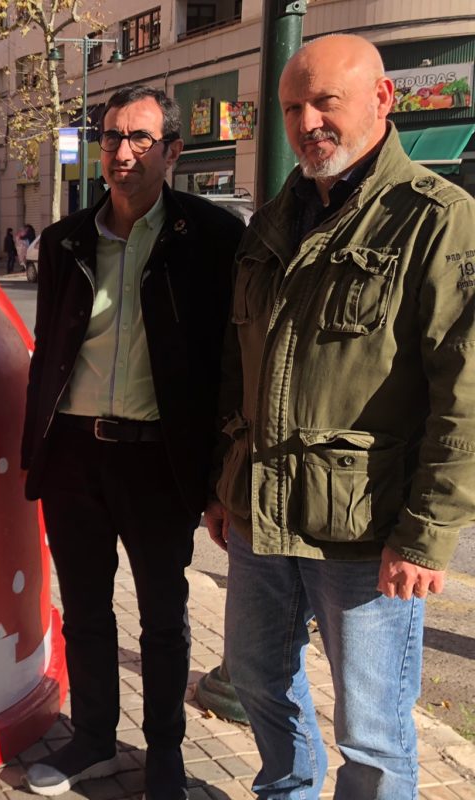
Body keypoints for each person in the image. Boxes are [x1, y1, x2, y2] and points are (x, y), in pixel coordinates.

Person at [204, 34, 475, 799]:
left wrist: (426, 535)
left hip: (367, 531)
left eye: (327, 100)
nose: (308, 120)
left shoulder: (438, 219)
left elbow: (465, 395)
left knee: (374, 731)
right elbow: (237, 367)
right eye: (294, 106)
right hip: (261, 516)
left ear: (382, 100)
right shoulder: (272, 221)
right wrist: (222, 486)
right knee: (258, 682)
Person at [21, 85, 243, 798]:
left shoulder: (211, 238)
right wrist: (38, 451)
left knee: (162, 618)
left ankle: (167, 756)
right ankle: (91, 738)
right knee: (84, 608)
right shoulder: (65, 241)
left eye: (140, 138)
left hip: (158, 458)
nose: (122, 152)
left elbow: (229, 364)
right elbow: (49, 351)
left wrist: (218, 477)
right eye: (112, 137)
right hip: (74, 456)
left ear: (172, 150)